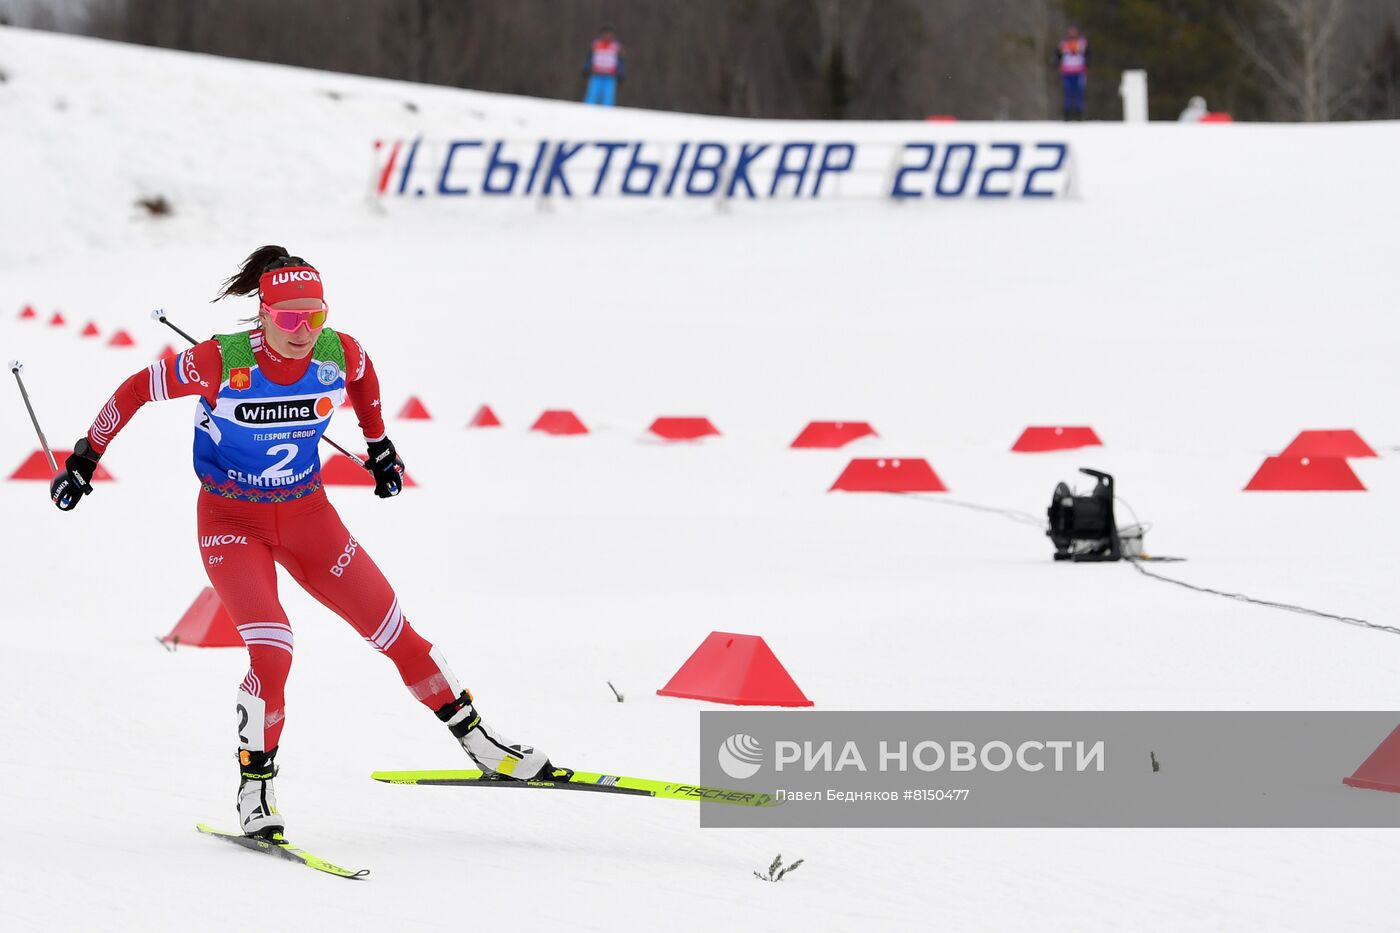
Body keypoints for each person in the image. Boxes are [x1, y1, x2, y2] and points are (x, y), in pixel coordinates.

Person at [49, 245, 568, 838]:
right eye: (289, 318)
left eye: (314, 316)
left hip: (308, 515)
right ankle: (255, 793)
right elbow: (133, 392)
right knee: (273, 649)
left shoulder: (338, 352)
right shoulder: (219, 360)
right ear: (264, 314)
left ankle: (484, 746)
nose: (303, 331)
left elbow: (366, 381)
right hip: (230, 521)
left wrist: (379, 447)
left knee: (398, 632)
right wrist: (85, 459)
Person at [583, 24, 625, 107]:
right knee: (592, 96)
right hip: (597, 74)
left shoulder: (616, 46)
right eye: (606, 33)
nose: (607, 35)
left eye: (609, 33)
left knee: (608, 98)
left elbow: (621, 61)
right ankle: (587, 112)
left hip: (610, 76)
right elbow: (589, 57)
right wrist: (586, 68)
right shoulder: (596, 44)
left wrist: (621, 72)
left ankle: (607, 115)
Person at [1056, 24, 1089, 121]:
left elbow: (1088, 55)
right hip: (1067, 72)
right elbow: (1057, 55)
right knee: (1068, 93)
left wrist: (1087, 65)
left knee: (1079, 93)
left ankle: (1079, 114)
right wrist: (1057, 64)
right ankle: (1067, 115)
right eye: (1071, 31)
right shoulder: (1063, 43)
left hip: (1079, 72)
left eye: (1074, 31)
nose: (1072, 33)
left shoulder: (1082, 43)